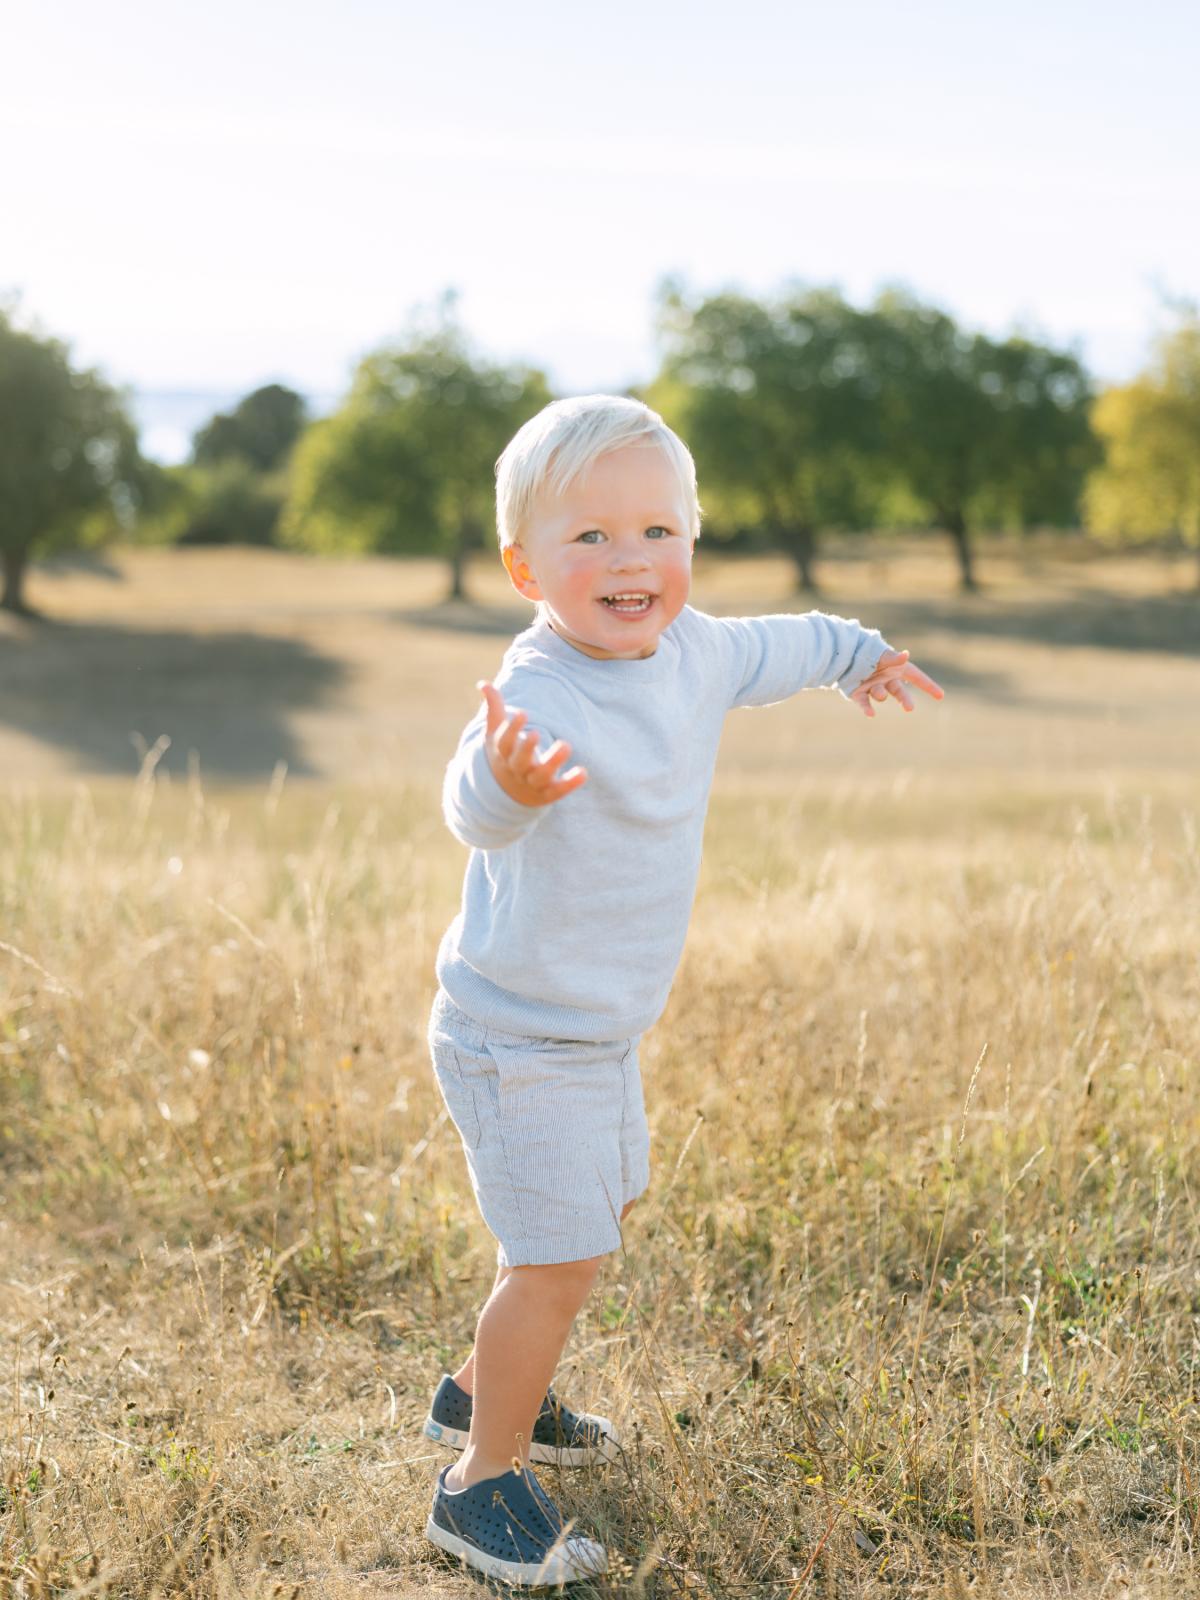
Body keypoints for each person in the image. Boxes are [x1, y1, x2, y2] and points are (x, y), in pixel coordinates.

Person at [422, 394, 944, 1585]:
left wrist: (859, 654)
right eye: (590, 537)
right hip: (516, 1036)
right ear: (524, 565)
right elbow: (471, 804)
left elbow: (793, 642)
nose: (629, 559)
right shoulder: (538, 691)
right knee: (550, 1261)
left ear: (691, 544)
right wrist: (505, 783)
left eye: (656, 530)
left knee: (590, 1229)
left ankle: (480, 1393)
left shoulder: (696, 648)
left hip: (599, 1035)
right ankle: (478, 1486)